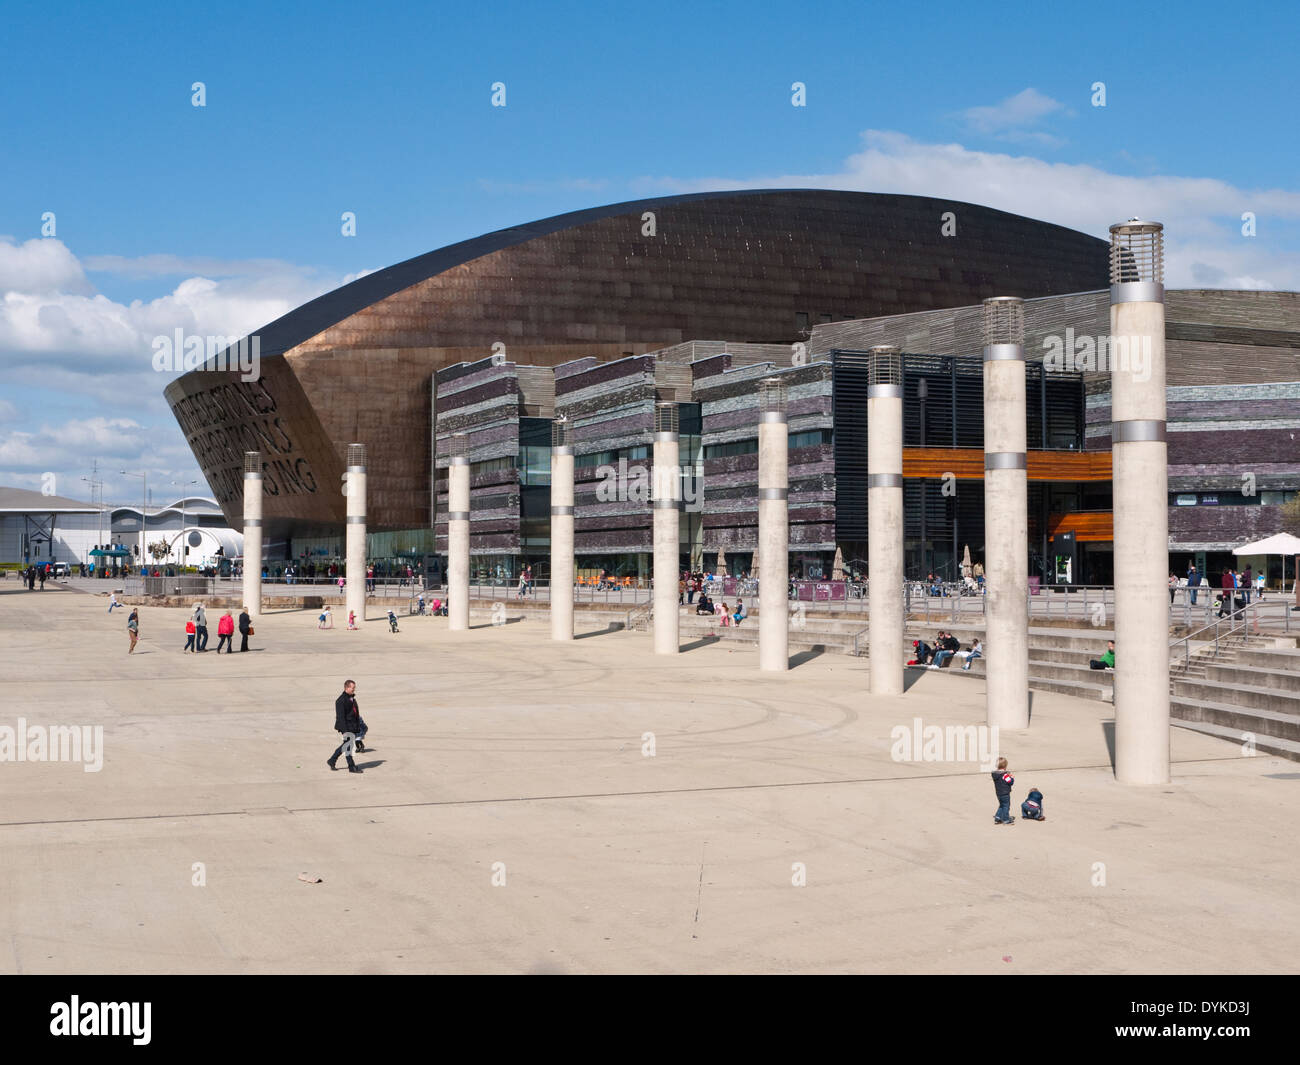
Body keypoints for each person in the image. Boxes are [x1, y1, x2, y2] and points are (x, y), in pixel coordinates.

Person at [327, 679, 365, 773]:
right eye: (352, 687)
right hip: (346, 727)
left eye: (354, 687)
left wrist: (358, 725)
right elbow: (340, 717)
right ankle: (351, 767)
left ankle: (332, 760)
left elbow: (355, 713)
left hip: (352, 726)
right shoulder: (340, 700)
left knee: (347, 745)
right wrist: (345, 731)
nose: (354, 689)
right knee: (348, 746)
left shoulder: (351, 698)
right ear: (347, 687)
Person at [992, 757, 1015, 825]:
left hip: (998, 793)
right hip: (1005, 793)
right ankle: (1006, 819)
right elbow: (1010, 782)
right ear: (1005, 766)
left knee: (1001, 805)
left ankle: (998, 817)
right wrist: (1011, 777)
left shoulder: (995, 774)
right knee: (1006, 806)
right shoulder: (1005, 775)